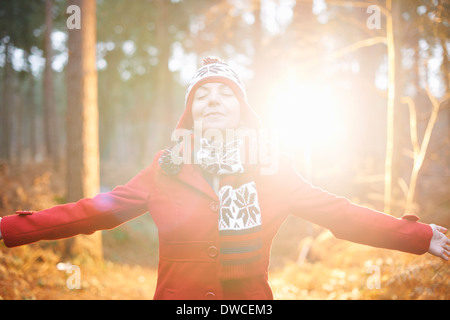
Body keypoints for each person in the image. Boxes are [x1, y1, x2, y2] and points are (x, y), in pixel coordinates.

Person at [0, 57, 448, 300]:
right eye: (202, 96)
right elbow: (92, 212)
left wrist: (419, 235)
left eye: (225, 94)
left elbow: (341, 214)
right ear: (191, 113)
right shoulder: (165, 168)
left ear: (241, 111)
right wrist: (11, 228)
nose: (212, 101)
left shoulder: (272, 167)